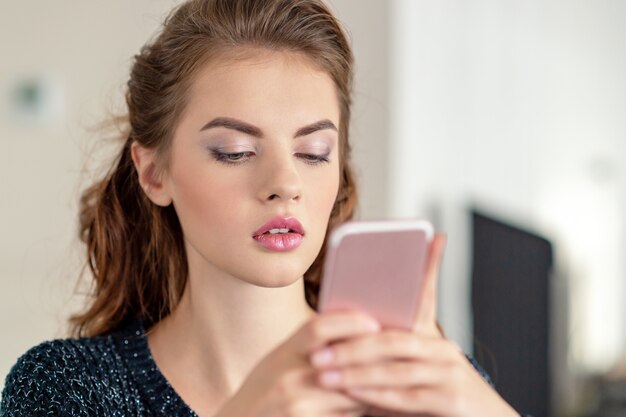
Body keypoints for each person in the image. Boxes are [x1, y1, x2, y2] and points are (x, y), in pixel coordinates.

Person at [0, 1, 529, 416]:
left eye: (312, 153)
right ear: (153, 173)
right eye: (236, 151)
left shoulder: (417, 385)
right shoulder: (66, 390)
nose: (284, 184)